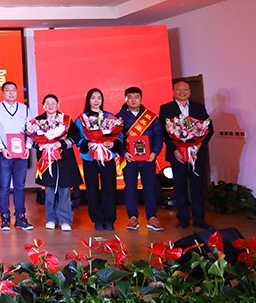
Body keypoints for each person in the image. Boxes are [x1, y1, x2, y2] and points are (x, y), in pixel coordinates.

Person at [160, 81, 215, 230]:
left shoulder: (199, 107)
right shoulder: (166, 108)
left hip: (196, 154)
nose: (182, 92)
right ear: (173, 92)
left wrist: (199, 144)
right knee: (180, 187)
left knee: (197, 187)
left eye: (185, 90)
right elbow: (164, 132)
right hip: (177, 155)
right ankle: (183, 219)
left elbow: (209, 129)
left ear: (190, 92)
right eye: (179, 90)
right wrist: (174, 150)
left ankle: (199, 219)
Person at [117, 87, 165, 232]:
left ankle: (152, 217)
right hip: (129, 159)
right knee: (130, 188)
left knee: (150, 187)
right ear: (125, 99)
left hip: (148, 159)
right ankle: (132, 217)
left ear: (141, 99)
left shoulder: (150, 117)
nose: (133, 100)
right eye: (130, 97)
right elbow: (116, 138)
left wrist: (155, 152)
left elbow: (158, 136)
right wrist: (123, 153)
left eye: (136, 97)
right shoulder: (119, 117)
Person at [34, 94, 82, 231]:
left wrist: (62, 144)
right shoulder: (37, 121)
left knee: (64, 190)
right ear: (43, 105)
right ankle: (51, 218)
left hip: (64, 158)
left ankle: (65, 219)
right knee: (49, 190)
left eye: (53, 103)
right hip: (46, 159)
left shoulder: (66, 120)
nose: (50, 105)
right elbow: (32, 139)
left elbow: (76, 136)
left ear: (58, 105)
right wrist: (41, 145)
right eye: (47, 103)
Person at [0, 81, 33, 231]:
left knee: (20, 185)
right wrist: (1, 148)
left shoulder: (24, 109)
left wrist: (28, 147)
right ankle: (5, 217)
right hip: (5, 153)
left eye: (13, 90)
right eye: (7, 90)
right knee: (4, 186)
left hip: (21, 153)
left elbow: (30, 129)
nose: (11, 93)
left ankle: (20, 217)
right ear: (2, 93)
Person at [75, 88, 121, 231]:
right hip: (90, 158)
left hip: (107, 157)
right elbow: (77, 137)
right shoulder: (81, 119)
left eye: (99, 98)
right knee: (92, 189)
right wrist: (86, 143)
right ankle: (97, 219)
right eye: (93, 98)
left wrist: (113, 143)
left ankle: (109, 219)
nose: (96, 100)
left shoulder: (110, 117)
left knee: (109, 187)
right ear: (88, 100)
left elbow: (119, 136)